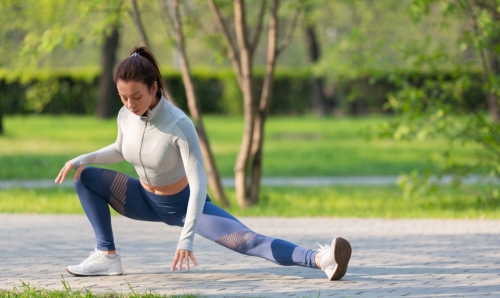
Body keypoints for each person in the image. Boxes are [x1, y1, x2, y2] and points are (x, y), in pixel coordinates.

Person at [54, 46, 352, 281]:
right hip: (142, 199)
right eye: (123, 97)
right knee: (86, 177)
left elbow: (198, 186)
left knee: (248, 241)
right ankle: (106, 256)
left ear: (154, 87)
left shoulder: (179, 124)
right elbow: (122, 148)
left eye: (136, 96)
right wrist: (80, 159)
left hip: (183, 205)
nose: (130, 105)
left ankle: (321, 259)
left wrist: (187, 239)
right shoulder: (126, 115)